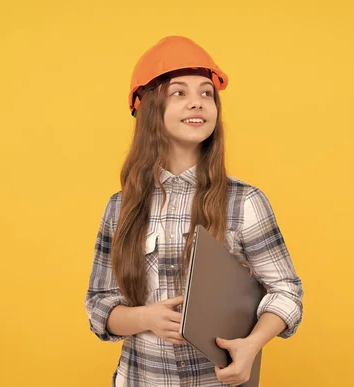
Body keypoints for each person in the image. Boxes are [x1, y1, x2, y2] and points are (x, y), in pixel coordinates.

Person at [85, 36, 304, 387]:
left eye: (206, 94)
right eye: (179, 93)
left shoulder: (244, 201)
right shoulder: (120, 207)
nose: (197, 104)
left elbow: (287, 291)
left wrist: (251, 346)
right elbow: (99, 306)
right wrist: (146, 318)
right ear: (149, 107)